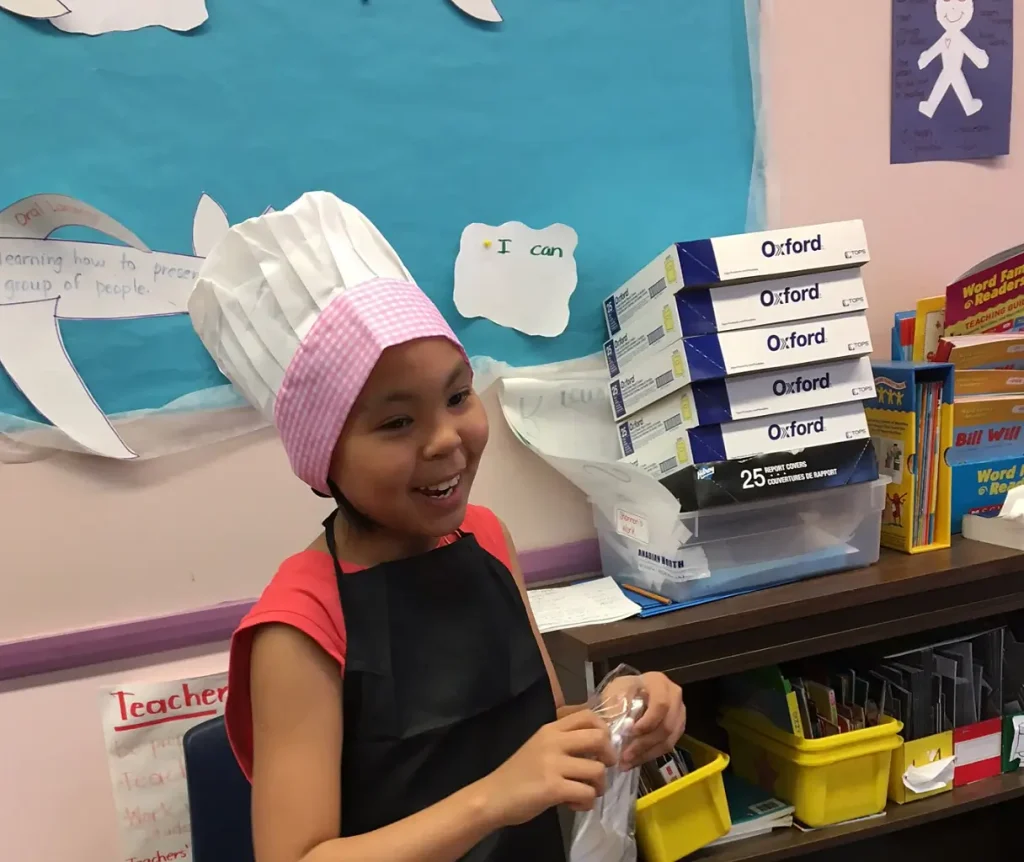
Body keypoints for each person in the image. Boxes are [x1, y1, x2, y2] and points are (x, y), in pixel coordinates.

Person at [188, 191, 687, 862]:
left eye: (457, 396)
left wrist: (616, 716)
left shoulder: (486, 538)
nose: (446, 439)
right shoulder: (299, 623)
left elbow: (534, 738)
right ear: (323, 455)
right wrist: (494, 798)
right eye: (397, 422)